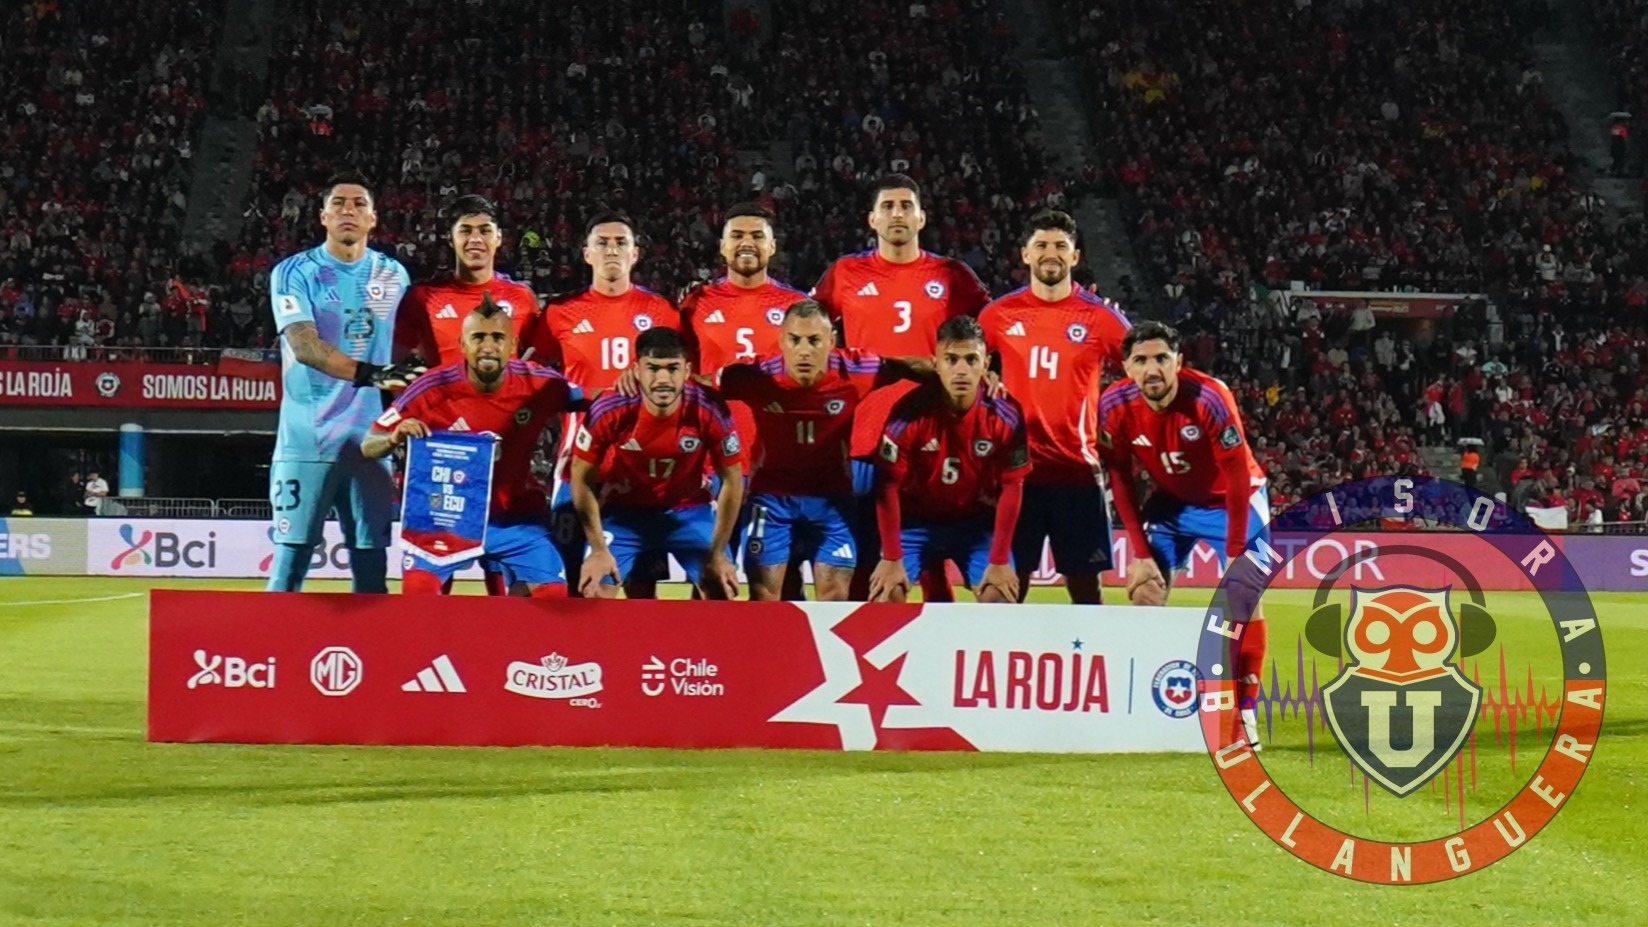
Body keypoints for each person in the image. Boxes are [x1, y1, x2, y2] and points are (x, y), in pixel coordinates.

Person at [813, 174, 991, 602]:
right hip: (861, 435)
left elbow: (990, 335)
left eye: (906, 205)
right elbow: (808, 329)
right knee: (863, 559)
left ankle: (934, 657)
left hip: (933, 433)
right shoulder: (845, 273)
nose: (898, 213)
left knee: (930, 554)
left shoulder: (952, 274)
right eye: (889, 206)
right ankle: (858, 661)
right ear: (872, 218)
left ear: (921, 217)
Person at [1097, 320, 1269, 747]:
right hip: (1172, 503)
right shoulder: (1114, 404)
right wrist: (1138, 551)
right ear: (1126, 367)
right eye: (1140, 360)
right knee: (1143, 590)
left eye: (1161, 358)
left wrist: (1234, 550)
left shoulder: (1210, 396)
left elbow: (1234, 473)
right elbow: (1118, 476)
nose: (1151, 369)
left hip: (1232, 500)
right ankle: (1145, 707)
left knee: (1244, 596)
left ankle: (1244, 714)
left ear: (1179, 362)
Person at [363, 295, 580, 596]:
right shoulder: (431, 386)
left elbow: (596, 400)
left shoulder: (542, 383)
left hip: (515, 521)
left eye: (497, 337)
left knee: (555, 598)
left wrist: (636, 387)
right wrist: (394, 437)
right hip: (444, 520)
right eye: (478, 337)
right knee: (416, 600)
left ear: (512, 344)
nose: (488, 347)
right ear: (463, 345)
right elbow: (368, 445)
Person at [719, 300, 933, 600]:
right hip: (771, 499)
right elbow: (697, 385)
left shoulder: (857, 368)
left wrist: (973, 380)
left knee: (834, 598)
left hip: (832, 500)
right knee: (764, 597)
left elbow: (912, 367)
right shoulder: (754, 375)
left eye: (815, 340)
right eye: (794, 340)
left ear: (831, 341)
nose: (804, 350)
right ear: (781, 340)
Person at [265, 172, 418, 593]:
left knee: (371, 568)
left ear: (373, 219)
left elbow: (404, 347)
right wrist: (371, 374)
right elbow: (305, 346)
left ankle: (372, 657)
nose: (348, 210)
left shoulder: (394, 276)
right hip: (306, 439)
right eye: (339, 204)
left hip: (372, 441)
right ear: (323, 217)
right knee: (290, 564)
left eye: (358, 204)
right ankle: (269, 655)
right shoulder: (293, 272)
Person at [523, 211, 677, 597]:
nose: (612, 250)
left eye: (621, 242)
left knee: (643, 588)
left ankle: (641, 658)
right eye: (603, 243)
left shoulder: (663, 312)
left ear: (636, 253)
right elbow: (529, 376)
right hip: (576, 466)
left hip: (643, 469)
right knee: (573, 581)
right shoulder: (560, 312)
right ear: (587, 253)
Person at [979, 209, 1130, 603]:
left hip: (1077, 473)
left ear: (1075, 257)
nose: (1052, 254)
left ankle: (1092, 664)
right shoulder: (998, 315)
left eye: (1061, 246)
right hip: (1016, 475)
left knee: (1086, 591)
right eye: (1041, 245)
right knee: (1008, 588)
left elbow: (1142, 368)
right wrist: (986, 377)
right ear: (1025, 255)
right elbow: (961, 365)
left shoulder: (1100, 318)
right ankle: (1005, 665)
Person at [393, 193, 540, 596]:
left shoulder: (521, 300)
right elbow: (395, 369)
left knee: (506, 584)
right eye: (466, 231)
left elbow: (534, 371)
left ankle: (505, 657)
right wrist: (402, 420)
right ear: (451, 238)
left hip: (502, 458)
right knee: (433, 583)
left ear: (498, 239)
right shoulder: (424, 297)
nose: (475, 239)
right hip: (439, 457)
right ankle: (434, 656)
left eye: (484, 231)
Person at [678, 202, 810, 597]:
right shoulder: (695, 304)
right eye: (737, 235)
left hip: (777, 467)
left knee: (779, 585)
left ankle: (787, 658)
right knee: (710, 582)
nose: (747, 243)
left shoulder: (796, 307)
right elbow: (681, 378)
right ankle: (707, 661)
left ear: (772, 247)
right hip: (714, 465)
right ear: (722, 247)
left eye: (757, 236)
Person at [569, 327, 743, 599]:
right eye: (653, 368)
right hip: (624, 514)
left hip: (689, 511)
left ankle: (693, 642)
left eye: (672, 368)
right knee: (594, 591)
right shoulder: (611, 407)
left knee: (721, 589)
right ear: (636, 370)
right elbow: (580, 478)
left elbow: (733, 480)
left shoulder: (709, 408)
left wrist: (719, 553)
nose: (663, 378)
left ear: (687, 371)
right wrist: (599, 549)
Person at [867, 316, 1029, 604]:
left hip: (976, 525)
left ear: (986, 364)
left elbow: (1013, 486)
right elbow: (887, 485)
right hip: (914, 523)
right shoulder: (909, 413)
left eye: (971, 359)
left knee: (1000, 600)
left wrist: (1000, 559)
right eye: (951, 360)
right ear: (935, 364)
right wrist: (891, 558)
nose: (962, 370)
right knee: (885, 597)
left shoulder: (1006, 414)